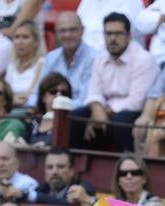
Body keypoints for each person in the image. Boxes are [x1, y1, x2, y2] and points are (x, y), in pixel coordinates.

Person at [75, 13, 158, 152]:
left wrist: (105, 112)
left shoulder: (143, 59)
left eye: (118, 33)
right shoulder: (100, 58)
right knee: (77, 116)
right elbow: (93, 92)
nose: (112, 38)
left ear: (129, 35)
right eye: (108, 34)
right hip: (107, 111)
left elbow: (136, 101)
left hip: (134, 113)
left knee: (121, 120)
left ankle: (125, 166)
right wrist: (96, 109)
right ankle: (76, 164)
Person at [39, 12, 98, 107]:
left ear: (82, 31)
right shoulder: (51, 57)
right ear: (56, 33)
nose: (67, 35)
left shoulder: (95, 58)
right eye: (63, 30)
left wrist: (57, 105)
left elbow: (85, 100)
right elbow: (38, 92)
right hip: (51, 112)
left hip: (79, 116)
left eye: (73, 30)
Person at [76, 0, 145, 54]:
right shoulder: (87, 2)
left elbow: (118, 40)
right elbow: (77, 29)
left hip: (119, 60)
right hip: (85, 58)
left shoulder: (130, 2)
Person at [3, 19, 44, 108]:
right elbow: (5, 94)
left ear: (36, 42)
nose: (20, 42)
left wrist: (11, 99)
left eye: (25, 37)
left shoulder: (42, 64)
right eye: (17, 37)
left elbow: (32, 95)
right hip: (9, 109)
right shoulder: (11, 66)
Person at [27, 74, 72, 146]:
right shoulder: (32, 122)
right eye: (53, 91)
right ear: (43, 97)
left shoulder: (70, 123)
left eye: (64, 93)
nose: (59, 95)